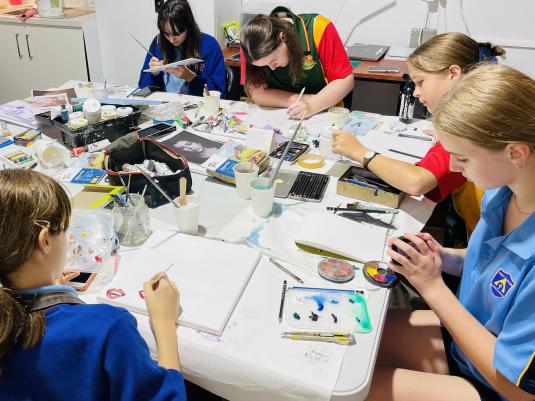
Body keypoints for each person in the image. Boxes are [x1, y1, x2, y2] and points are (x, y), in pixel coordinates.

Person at [366, 64, 535, 401]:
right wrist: (442, 259)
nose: (455, 169)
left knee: (353, 391)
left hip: (496, 385)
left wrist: (431, 286)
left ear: (515, 153)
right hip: (465, 339)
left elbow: (518, 389)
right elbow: (492, 266)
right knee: (352, 345)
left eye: (462, 158)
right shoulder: (502, 192)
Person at [0, 170, 186, 400]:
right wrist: (164, 321)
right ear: (45, 241)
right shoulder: (106, 327)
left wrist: (46, 284)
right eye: (67, 230)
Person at [332, 32, 505, 240]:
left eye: (421, 82)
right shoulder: (482, 112)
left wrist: (360, 152)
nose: (415, 93)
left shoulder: (467, 126)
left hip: (492, 241)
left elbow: (417, 182)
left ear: (453, 73)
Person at [240, 6, 354, 119]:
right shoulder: (251, 46)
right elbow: (258, 94)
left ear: (283, 37)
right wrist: (303, 101)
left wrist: (312, 106)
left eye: (273, 60)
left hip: (325, 113)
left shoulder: (318, 28)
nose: (272, 68)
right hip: (281, 115)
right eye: (265, 65)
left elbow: (345, 80)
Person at [138, 0, 226, 97]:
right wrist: (153, 74)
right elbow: (142, 88)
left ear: (188, 26)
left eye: (176, 34)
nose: (171, 40)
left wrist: (191, 78)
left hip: (197, 108)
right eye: (166, 34)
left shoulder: (209, 46)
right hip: (165, 106)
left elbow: (219, 93)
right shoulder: (159, 42)